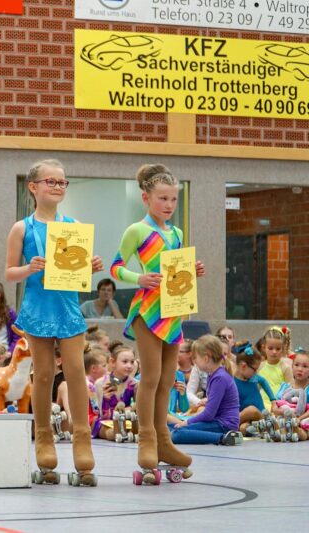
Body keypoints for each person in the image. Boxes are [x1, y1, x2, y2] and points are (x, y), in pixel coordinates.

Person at [5, 159, 103, 486]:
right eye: (51, 181)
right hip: (38, 308)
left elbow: (75, 272)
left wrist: (90, 266)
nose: (58, 186)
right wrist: (29, 267)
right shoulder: (22, 228)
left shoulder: (74, 226)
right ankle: (44, 437)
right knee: (44, 373)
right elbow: (9, 273)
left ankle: (82, 438)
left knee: (75, 370)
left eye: (62, 182)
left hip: (67, 307)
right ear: (33, 187)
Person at [110, 163, 206, 482]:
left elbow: (175, 272)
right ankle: (147, 440)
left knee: (167, 378)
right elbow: (115, 267)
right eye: (162, 198)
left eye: (173, 199)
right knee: (150, 377)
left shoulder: (177, 234)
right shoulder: (137, 230)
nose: (169, 205)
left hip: (173, 310)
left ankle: (164, 440)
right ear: (146, 198)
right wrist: (139, 278)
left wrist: (191, 271)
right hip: (147, 310)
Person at [171, 335, 242, 446]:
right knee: (170, 427)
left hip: (224, 425)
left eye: (195, 357)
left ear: (206, 358)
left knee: (177, 433)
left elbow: (208, 414)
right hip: (217, 422)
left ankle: (224, 437)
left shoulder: (219, 377)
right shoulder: (214, 375)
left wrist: (187, 422)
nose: (194, 361)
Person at [92, 343, 137, 441]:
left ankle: (126, 430)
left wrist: (129, 409)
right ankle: (118, 432)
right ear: (112, 362)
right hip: (106, 422)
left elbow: (138, 411)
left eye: (132, 362)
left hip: (127, 421)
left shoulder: (134, 384)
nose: (129, 366)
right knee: (109, 432)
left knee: (133, 421)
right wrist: (105, 399)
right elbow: (100, 414)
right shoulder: (100, 383)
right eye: (125, 362)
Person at [232, 341, 277, 436]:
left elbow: (264, 382)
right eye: (255, 369)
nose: (256, 372)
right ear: (243, 366)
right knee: (243, 428)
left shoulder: (253, 378)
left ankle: (267, 425)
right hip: (247, 417)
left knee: (254, 411)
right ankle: (260, 428)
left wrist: (273, 400)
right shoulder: (233, 383)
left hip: (261, 413)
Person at [256, 326, 293, 411]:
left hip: (280, 405)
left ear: (282, 349)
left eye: (278, 349)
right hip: (261, 404)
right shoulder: (260, 366)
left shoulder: (285, 368)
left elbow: (290, 391)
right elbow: (256, 388)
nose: (274, 352)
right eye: (270, 348)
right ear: (264, 348)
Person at [274, 350, 309, 438]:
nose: (300, 369)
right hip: (286, 418)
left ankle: (296, 430)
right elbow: (275, 406)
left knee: (305, 430)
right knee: (277, 420)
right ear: (292, 367)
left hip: (304, 419)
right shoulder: (285, 387)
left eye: (305, 366)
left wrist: (299, 419)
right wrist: (282, 411)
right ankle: (277, 431)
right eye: (296, 365)